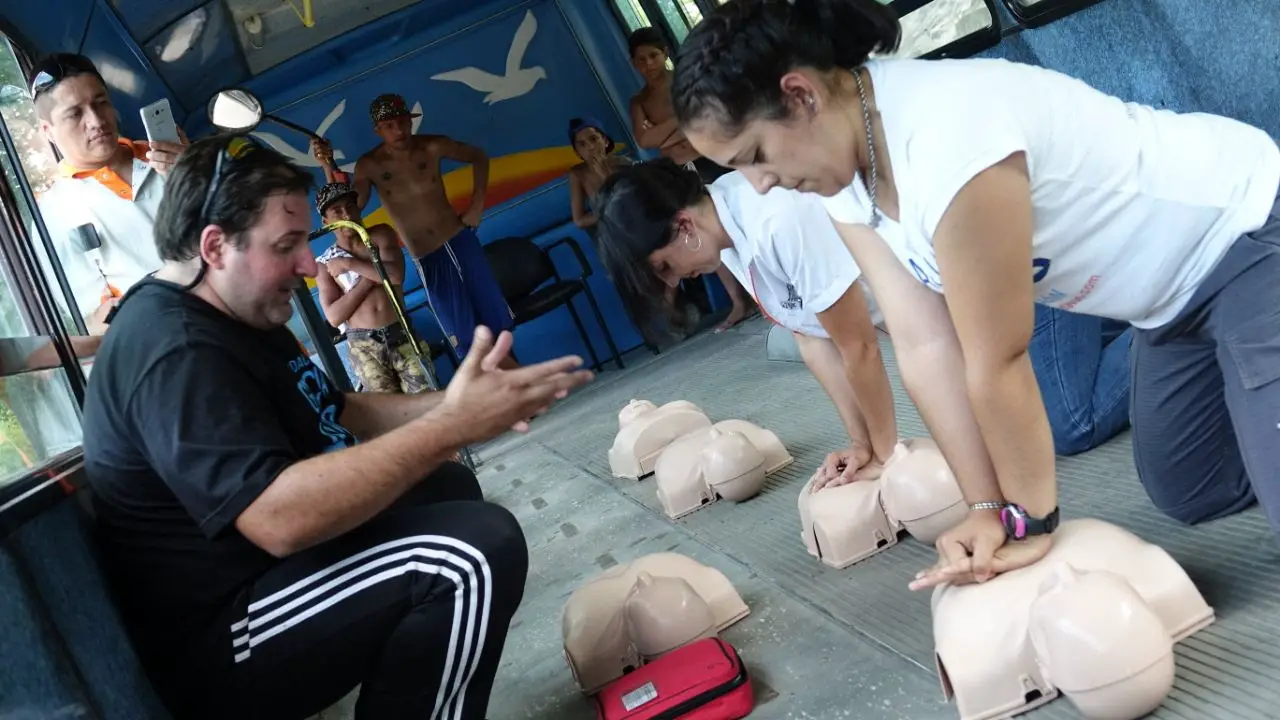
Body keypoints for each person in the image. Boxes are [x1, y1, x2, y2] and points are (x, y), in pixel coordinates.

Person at [668, 0, 1280, 590]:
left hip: (1242, 238)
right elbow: (924, 344)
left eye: (755, 156)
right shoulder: (843, 182)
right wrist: (985, 507)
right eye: (734, 170)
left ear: (801, 95)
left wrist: (1030, 522)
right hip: (1162, 310)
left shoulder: (946, 140)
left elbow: (997, 360)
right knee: (1190, 488)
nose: (759, 185)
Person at [80, 135, 593, 719]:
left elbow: (339, 408)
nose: (307, 265)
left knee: (446, 488)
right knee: (468, 556)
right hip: (228, 633)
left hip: (273, 576)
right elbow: (278, 520)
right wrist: (451, 426)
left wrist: (460, 400)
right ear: (215, 246)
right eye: (287, 246)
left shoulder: (236, 307)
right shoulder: (173, 350)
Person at [595, 159, 1131, 491]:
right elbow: (814, 340)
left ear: (684, 226)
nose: (677, 281)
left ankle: (1165, 317)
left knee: (1066, 422)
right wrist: (861, 447)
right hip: (961, 307)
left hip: (1001, 258)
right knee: (1008, 406)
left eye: (665, 267)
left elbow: (859, 348)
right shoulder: (729, 240)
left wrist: (886, 453)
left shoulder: (775, 218)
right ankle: (1120, 309)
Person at [312, 94, 514, 365]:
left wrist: (477, 206)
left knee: (495, 320)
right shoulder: (370, 165)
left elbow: (478, 156)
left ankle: (518, 380)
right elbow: (349, 206)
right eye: (389, 126)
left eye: (402, 122)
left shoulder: (432, 145)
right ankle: (489, 387)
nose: (398, 130)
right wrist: (327, 164)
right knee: (463, 333)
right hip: (427, 254)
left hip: (459, 239)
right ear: (378, 130)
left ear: (410, 121)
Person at [30, 53, 187, 352]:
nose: (96, 120)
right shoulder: (53, 214)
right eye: (74, 114)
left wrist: (198, 173)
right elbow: (95, 321)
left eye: (100, 102)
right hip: (168, 346)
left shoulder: (168, 156)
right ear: (47, 131)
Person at [626, 28, 758, 331]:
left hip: (715, 154)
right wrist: (681, 119)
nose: (648, 64)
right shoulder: (639, 101)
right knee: (709, 233)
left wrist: (666, 133)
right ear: (633, 63)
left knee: (743, 215)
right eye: (641, 60)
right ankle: (739, 300)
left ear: (665, 53)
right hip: (684, 169)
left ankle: (771, 283)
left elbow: (707, 114)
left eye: (653, 56)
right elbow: (645, 139)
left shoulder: (685, 79)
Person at [314, 181, 431, 394]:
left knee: (427, 398)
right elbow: (334, 317)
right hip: (363, 346)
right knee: (388, 408)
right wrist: (371, 278)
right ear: (325, 221)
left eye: (351, 207)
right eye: (337, 211)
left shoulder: (380, 234)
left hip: (401, 332)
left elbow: (395, 276)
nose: (346, 215)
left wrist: (349, 264)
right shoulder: (325, 263)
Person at [567, 116, 632, 233]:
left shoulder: (624, 163)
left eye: (593, 139)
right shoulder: (578, 174)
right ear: (577, 152)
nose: (590, 147)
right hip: (611, 232)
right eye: (582, 144)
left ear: (605, 141)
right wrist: (606, 215)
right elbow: (579, 221)